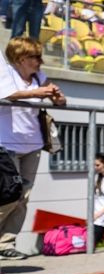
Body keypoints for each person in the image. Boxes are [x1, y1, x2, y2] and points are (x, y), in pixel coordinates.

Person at [0, 38, 66, 259]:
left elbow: (59, 101)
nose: (40, 61)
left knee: (23, 197)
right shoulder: (7, 73)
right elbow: (7, 94)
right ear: (21, 59)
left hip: (33, 144)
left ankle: (7, 242)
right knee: (9, 195)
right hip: (7, 144)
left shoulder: (39, 78)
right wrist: (38, 93)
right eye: (35, 57)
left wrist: (57, 97)